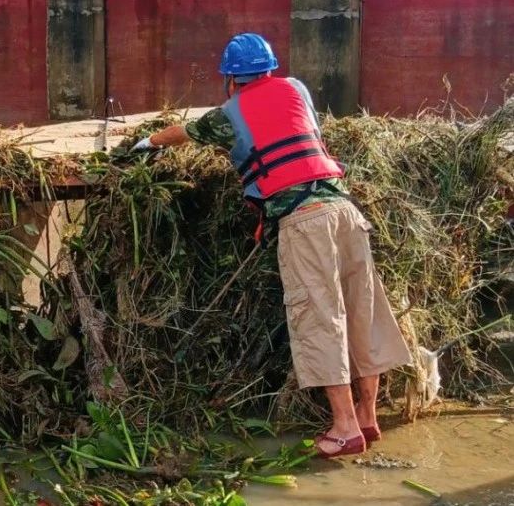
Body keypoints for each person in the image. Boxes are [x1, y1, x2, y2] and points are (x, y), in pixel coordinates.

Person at [133, 33, 411, 458]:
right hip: (345, 211)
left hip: (304, 222)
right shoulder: (296, 89)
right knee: (362, 311)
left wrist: (148, 143)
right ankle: (367, 416)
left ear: (231, 79)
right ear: (270, 69)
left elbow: (182, 132)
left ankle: (343, 428)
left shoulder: (228, 113)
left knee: (319, 317)